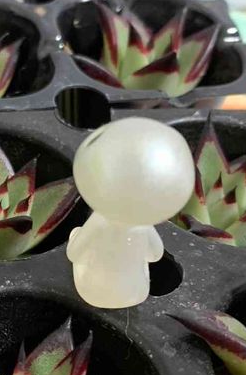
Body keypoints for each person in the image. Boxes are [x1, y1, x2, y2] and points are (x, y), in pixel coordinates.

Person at [67, 117, 195, 309]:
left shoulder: (100, 221)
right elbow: (155, 255)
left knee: (76, 235)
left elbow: (74, 253)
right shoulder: (143, 227)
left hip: (93, 289)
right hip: (134, 292)